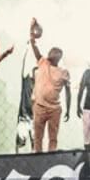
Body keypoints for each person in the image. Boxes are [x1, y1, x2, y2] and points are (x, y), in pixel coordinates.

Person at [29, 19, 70, 152]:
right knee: (38, 137)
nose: (50, 53)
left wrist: (68, 109)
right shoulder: (43, 62)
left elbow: (68, 92)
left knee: (53, 138)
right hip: (39, 107)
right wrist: (31, 33)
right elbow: (35, 48)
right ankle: (37, 159)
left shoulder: (63, 72)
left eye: (53, 52)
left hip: (54, 109)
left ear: (59, 56)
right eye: (50, 51)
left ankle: (51, 159)